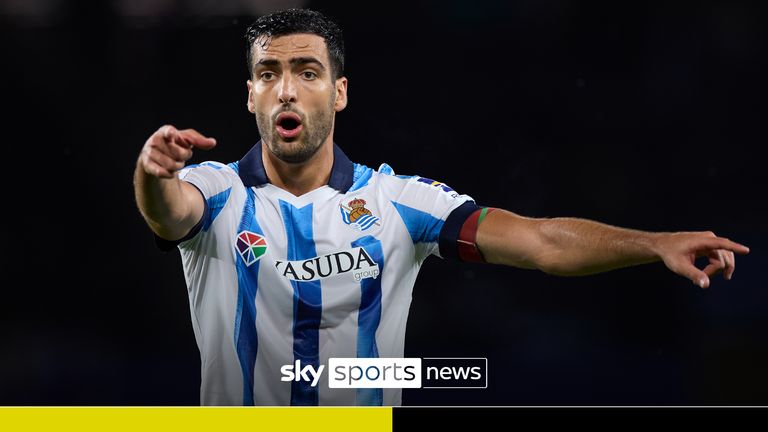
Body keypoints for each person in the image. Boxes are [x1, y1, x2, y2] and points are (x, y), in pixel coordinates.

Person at [133, 8, 750, 406]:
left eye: (307, 71)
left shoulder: (399, 202)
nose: (286, 88)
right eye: (268, 74)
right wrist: (151, 170)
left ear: (339, 91)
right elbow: (168, 212)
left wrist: (654, 243)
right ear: (250, 96)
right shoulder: (217, 191)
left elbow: (540, 242)